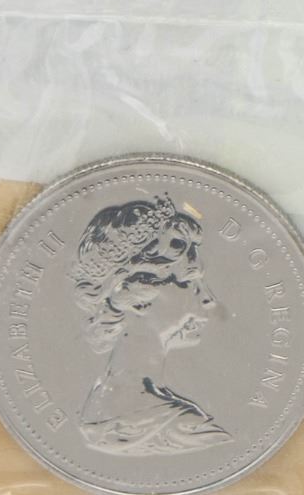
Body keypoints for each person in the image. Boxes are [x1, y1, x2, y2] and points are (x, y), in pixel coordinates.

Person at [68, 194, 233, 456]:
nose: (208, 299)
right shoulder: (188, 427)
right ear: (136, 295)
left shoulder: (95, 411)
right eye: (190, 281)